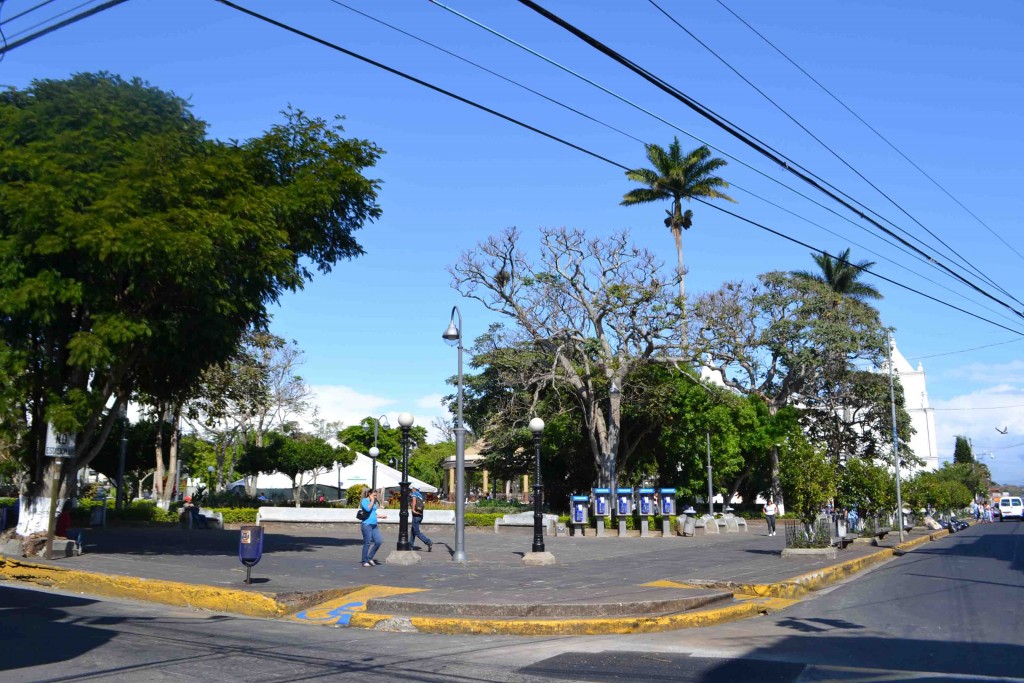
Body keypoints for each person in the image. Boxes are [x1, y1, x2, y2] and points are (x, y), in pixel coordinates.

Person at [359, 490, 387, 567]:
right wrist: (372, 500)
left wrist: (380, 516)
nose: (375, 497)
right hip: (366, 524)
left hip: (374, 525)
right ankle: (364, 561)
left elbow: (372, 513)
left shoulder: (373, 501)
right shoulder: (364, 501)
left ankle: (369, 557)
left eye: (376, 495)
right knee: (367, 543)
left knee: (378, 541)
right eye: (374, 495)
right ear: (369, 494)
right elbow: (368, 509)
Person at [409, 485, 433, 552]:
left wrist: (413, 509)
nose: (411, 489)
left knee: (417, 532)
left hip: (416, 515)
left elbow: (414, 501)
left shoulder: (414, 494)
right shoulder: (420, 495)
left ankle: (428, 542)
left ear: (414, 489)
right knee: (413, 530)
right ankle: (410, 546)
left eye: (412, 488)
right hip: (420, 515)